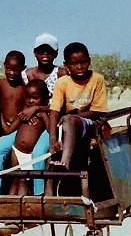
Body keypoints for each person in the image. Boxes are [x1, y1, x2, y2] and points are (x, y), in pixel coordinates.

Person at [47, 41, 109, 194]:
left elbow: (97, 111)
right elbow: (54, 111)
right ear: (66, 65)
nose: (79, 67)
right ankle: (49, 192)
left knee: (69, 120)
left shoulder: (97, 79)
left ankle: (65, 164)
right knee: (63, 127)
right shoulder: (62, 82)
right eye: (74, 64)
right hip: (71, 124)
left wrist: (74, 117)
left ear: (89, 61)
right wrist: (52, 139)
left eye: (83, 62)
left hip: (91, 122)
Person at [22, 33, 68, 194]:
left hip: (52, 122)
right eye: (41, 51)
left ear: (56, 54)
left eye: (49, 51)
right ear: (35, 53)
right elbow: (24, 100)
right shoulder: (27, 74)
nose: (45, 55)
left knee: (39, 153)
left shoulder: (61, 74)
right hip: (33, 121)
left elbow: (62, 105)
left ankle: (39, 194)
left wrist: (38, 109)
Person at [0, 51, 27, 195]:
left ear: (23, 68)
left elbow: (24, 112)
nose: (11, 73)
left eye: (16, 70)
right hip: (0, 126)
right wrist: (0, 120)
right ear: (4, 66)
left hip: (17, 128)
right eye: (8, 69)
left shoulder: (25, 88)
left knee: (1, 153)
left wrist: (8, 127)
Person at [8, 79, 52, 196]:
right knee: (16, 180)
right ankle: (10, 204)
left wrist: (43, 115)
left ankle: (32, 204)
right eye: (28, 98)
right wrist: (1, 114)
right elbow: (10, 129)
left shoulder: (44, 114)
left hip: (31, 154)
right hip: (16, 151)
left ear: (44, 98)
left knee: (25, 182)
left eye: (35, 98)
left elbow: (50, 130)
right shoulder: (24, 113)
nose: (31, 101)